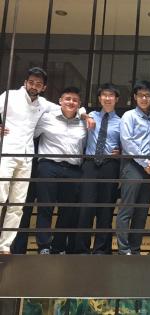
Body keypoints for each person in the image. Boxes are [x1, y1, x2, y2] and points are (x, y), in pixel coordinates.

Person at [0, 67, 76, 254]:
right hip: (7, 153)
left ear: (44, 87)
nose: (34, 86)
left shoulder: (42, 103)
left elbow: (66, 107)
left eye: (39, 84)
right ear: (25, 82)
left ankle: (4, 245)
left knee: (17, 205)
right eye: (31, 82)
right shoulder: (10, 96)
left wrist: (83, 114)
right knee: (0, 199)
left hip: (27, 157)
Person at [34, 87, 88, 255]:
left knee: (67, 210)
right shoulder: (46, 118)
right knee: (45, 207)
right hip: (48, 166)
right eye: (67, 99)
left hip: (73, 170)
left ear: (79, 104)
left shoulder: (84, 123)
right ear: (60, 101)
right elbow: (29, 131)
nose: (71, 102)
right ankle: (44, 246)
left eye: (74, 100)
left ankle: (58, 247)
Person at [75, 83, 122, 255]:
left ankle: (102, 249)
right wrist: (85, 115)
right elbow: (77, 109)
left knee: (106, 209)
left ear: (117, 99)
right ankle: (81, 248)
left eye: (111, 95)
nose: (108, 98)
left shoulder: (121, 122)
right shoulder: (91, 115)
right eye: (104, 95)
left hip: (110, 165)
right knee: (86, 207)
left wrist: (122, 151)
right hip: (90, 164)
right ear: (100, 98)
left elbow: (126, 142)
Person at [116, 80, 150, 255]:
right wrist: (146, 162)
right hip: (133, 165)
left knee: (142, 210)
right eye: (141, 95)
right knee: (127, 208)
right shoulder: (129, 116)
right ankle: (124, 249)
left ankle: (135, 248)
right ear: (135, 97)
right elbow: (127, 142)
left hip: (149, 169)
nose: (144, 98)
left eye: (147, 95)